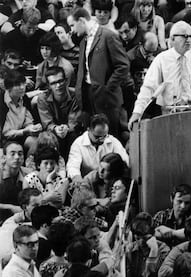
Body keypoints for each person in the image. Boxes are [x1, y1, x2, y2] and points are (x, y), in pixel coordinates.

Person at [67, 7, 130, 138]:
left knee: (109, 138)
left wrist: (108, 88)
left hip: (107, 98)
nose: (72, 30)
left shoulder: (109, 36)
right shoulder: (84, 41)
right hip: (88, 96)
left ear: (82, 21)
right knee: (93, 137)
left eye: (72, 25)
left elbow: (123, 66)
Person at [37, 66, 82, 158]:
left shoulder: (75, 95)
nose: (58, 86)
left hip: (71, 130)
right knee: (47, 138)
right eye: (53, 83)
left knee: (74, 136)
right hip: (53, 131)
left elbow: (74, 121)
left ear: (66, 81)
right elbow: (47, 123)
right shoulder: (43, 98)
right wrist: (55, 128)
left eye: (60, 81)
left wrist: (67, 127)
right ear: (49, 85)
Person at [67, 113, 129, 180]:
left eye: (104, 136)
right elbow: (73, 167)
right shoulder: (78, 144)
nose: (102, 140)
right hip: (86, 182)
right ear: (88, 130)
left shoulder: (113, 141)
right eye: (97, 137)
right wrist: (79, 182)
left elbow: (125, 161)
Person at [0, 69, 42, 151]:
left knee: (35, 141)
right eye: (18, 85)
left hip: (21, 135)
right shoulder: (1, 102)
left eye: (23, 83)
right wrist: (24, 131)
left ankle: (30, 163)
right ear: (8, 88)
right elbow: (5, 133)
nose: (22, 87)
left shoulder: (24, 99)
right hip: (4, 139)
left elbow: (28, 121)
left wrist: (33, 127)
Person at [127, 212, 170, 277]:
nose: (141, 241)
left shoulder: (164, 251)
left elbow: (148, 274)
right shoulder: (132, 248)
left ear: (153, 234)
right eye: (138, 237)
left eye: (144, 237)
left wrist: (153, 251)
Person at [0, 141, 32, 223]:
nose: (17, 157)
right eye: (12, 154)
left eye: (20, 154)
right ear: (4, 158)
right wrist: (10, 207)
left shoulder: (29, 174)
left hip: (22, 218)